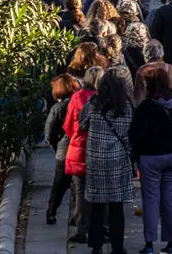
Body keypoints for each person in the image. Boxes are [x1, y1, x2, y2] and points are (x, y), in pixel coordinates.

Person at [129, 65, 172, 254]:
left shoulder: (146, 106)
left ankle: (149, 243)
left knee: (151, 199)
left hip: (151, 156)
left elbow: (136, 134)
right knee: (170, 199)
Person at [78, 69, 134, 254]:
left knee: (97, 205)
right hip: (118, 159)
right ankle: (118, 247)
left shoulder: (93, 103)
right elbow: (130, 131)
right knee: (117, 206)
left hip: (96, 159)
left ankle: (96, 245)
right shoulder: (126, 106)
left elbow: (82, 124)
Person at [63, 66, 104, 244]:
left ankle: (82, 228)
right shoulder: (104, 99)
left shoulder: (77, 97)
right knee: (101, 191)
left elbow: (68, 125)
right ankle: (102, 228)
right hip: (100, 148)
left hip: (79, 146)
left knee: (80, 191)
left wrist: (77, 137)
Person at [45, 73, 82, 225]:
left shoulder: (58, 108)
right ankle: (77, 216)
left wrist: (56, 146)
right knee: (78, 187)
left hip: (63, 149)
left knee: (59, 184)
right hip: (79, 148)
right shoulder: (80, 103)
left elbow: (49, 132)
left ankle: (51, 212)